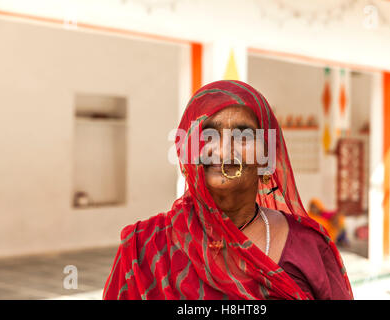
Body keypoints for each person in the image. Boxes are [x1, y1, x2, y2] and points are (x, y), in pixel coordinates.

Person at [103, 80, 353, 300]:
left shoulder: (309, 246)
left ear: (266, 156)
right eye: (208, 135)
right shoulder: (144, 246)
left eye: (243, 135)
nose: (223, 151)